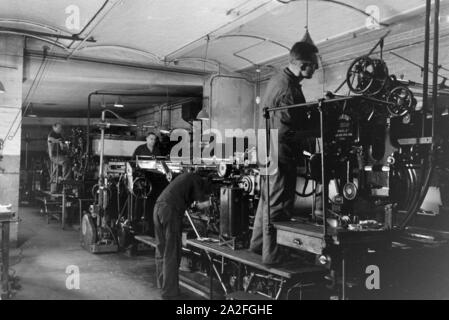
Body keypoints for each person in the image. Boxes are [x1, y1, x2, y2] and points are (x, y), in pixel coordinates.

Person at [249, 35, 319, 265]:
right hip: (278, 150)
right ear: (302, 65)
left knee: (267, 200)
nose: (317, 68)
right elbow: (292, 127)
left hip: (265, 146)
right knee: (278, 202)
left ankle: (259, 245)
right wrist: (317, 127)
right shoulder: (288, 88)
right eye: (314, 64)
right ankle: (273, 255)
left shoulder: (278, 78)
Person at [153, 172, 211, 299]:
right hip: (170, 211)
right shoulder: (197, 180)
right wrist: (211, 201)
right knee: (171, 253)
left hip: (158, 207)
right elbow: (201, 203)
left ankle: (162, 285)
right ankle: (169, 293)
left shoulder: (185, 177)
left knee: (161, 249)